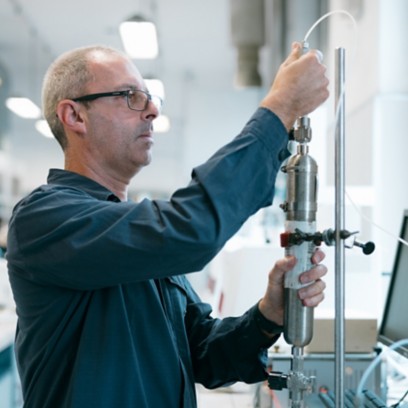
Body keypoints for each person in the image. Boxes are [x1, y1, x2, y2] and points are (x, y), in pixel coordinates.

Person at [6, 42, 329, 408]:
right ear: (75, 116)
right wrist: (278, 111)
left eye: (151, 97)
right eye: (131, 97)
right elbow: (192, 230)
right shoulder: (45, 219)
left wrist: (268, 315)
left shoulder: (133, 230)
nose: (153, 111)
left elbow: (202, 354)